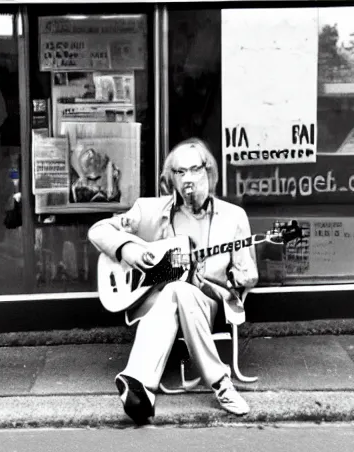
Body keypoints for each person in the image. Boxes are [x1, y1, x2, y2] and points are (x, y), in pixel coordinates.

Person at [88, 138, 258, 425]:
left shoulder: (234, 218)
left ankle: (140, 381)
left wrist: (242, 278)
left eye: (195, 169)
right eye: (180, 172)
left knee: (181, 290)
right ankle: (221, 384)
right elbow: (98, 231)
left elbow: (246, 274)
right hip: (157, 301)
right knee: (177, 289)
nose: (189, 178)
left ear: (209, 172)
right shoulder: (149, 211)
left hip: (209, 302)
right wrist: (128, 250)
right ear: (171, 179)